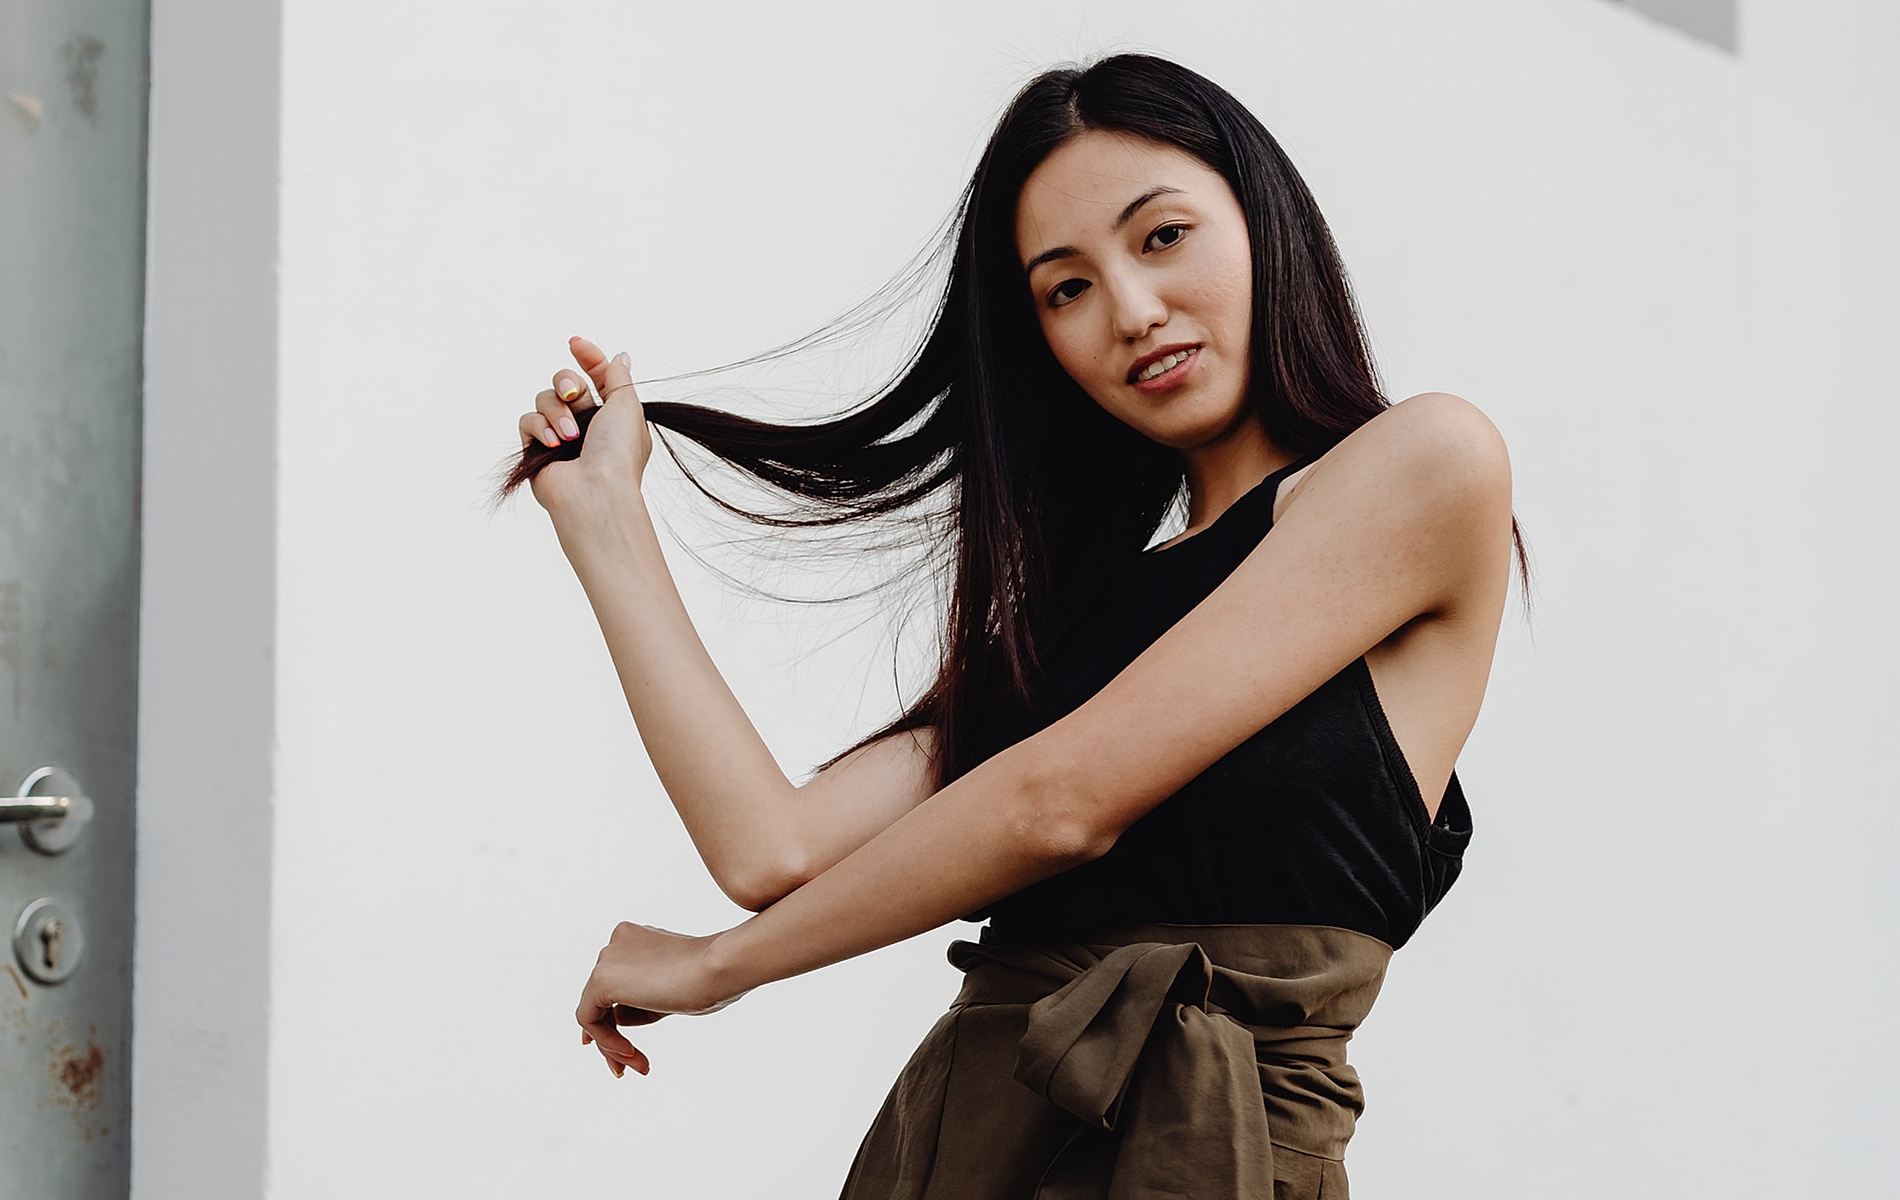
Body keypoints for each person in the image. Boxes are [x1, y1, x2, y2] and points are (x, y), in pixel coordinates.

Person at [503, 52, 1521, 1199]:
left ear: (1264, 221)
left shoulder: (1426, 464)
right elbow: (770, 848)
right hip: (961, 1154)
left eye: (1161, 236)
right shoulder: (1080, 628)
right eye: (1065, 289)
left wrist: (722, 968)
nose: (1132, 313)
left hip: (1206, 1168)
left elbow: (1059, 807)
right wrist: (603, 521)